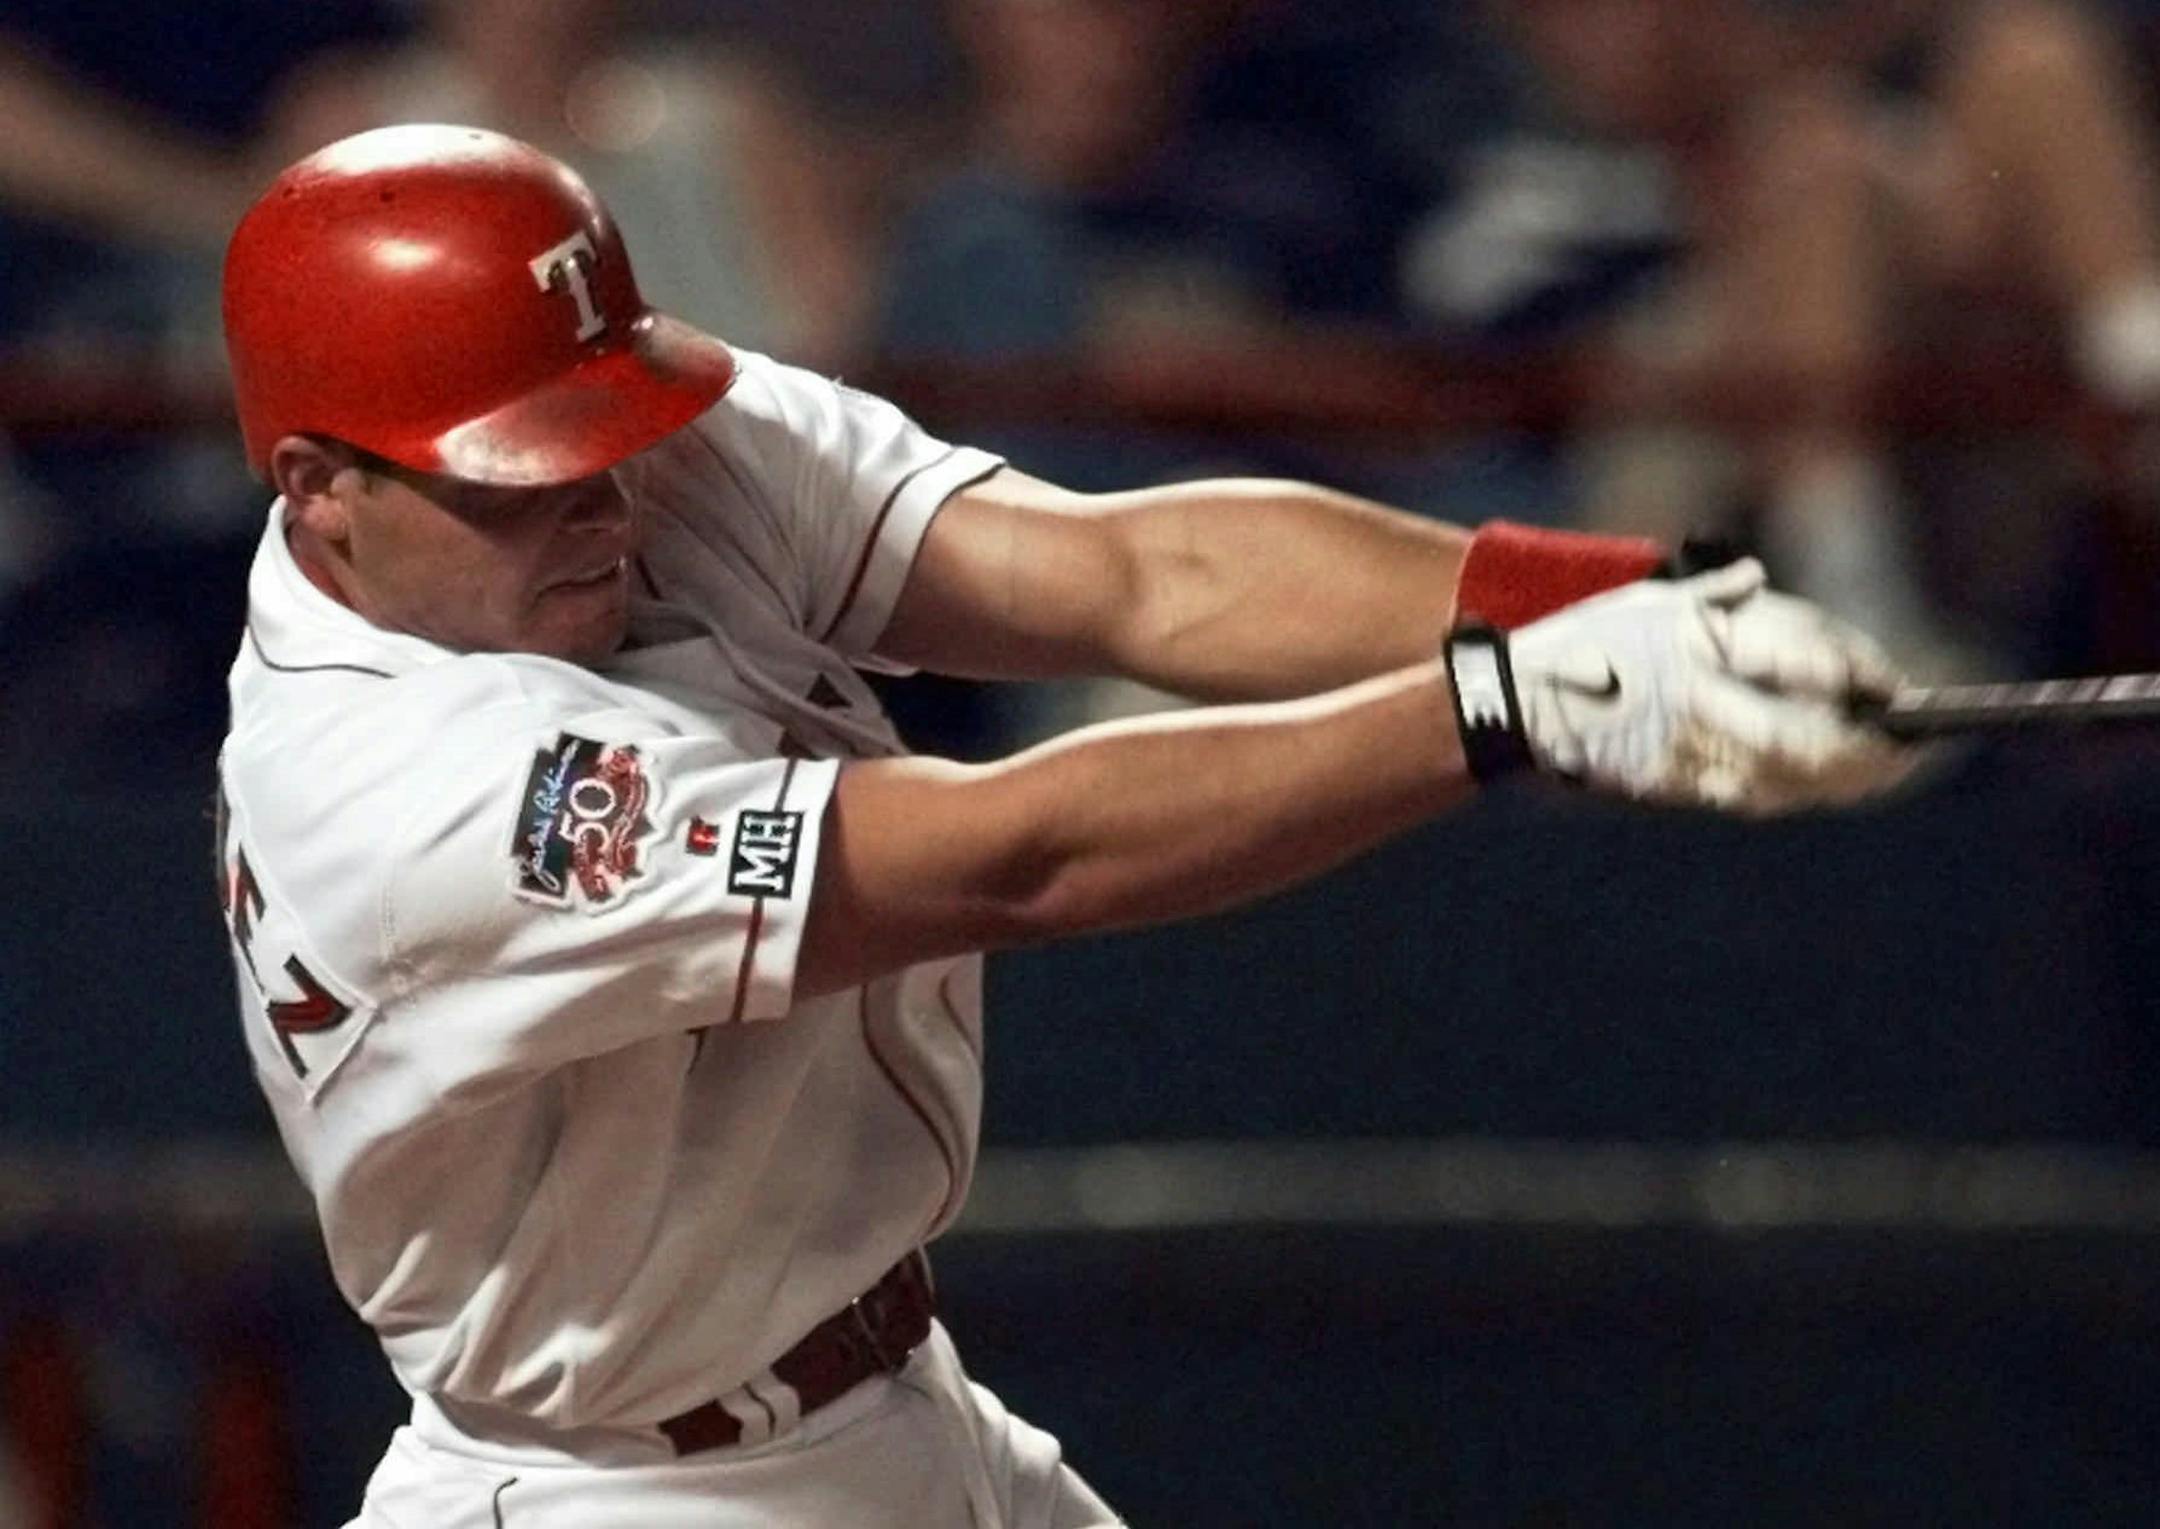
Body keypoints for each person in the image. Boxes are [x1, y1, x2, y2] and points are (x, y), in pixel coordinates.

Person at [213, 125, 1913, 1527]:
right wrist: (1512, 706)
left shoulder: (627, 453)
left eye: (602, 430)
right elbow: (1014, 852)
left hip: (899, 1415)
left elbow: (1120, 570)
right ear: (320, 488)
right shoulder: (399, 790)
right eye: (520, 468)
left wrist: (1611, 604)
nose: (597, 493)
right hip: (628, 1489)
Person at [1418, 0, 2160, 677]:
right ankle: (1854, 597)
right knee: (1820, 180)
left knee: (2031, 58)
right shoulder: (1503, 151)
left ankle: (2147, 416)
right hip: (1671, 407)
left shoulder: (1809, 99)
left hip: (1927, 380)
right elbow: (1491, 324)